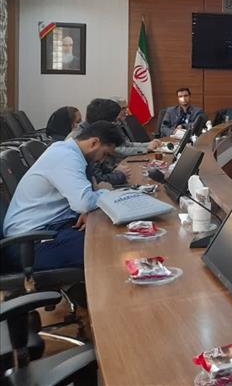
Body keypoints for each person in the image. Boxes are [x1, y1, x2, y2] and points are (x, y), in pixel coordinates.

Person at [2, 121, 126, 270]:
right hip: (28, 245)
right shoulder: (66, 156)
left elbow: (81, 202)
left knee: (112, 234)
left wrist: (88, 207)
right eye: (104, 154)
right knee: (110, 246)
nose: (102, 160)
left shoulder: (67, 151)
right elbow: (84, 202)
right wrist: (105, 191)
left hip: (48, 230)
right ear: (94, 143)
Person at [69, 98, 162, 186]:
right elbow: (96, 179)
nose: (116, 124)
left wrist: (112, 169)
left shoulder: (94, 135)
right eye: (113, 121)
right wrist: (118, 175)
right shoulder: (83, 141)